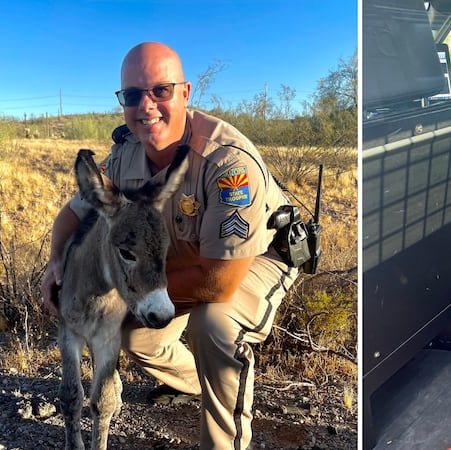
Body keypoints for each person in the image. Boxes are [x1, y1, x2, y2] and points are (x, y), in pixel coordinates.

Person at [41, 41, 299, 449]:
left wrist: (127, 294)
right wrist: (56, 264)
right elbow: (72, 213)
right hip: (180, 255)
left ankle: (224, 439)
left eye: (160, 90)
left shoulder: (228, 165)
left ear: (185, 92)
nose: (146, 106)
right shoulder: (125, 153)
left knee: (213, 325)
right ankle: (198, 382)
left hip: (254, 257)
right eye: (132, 95)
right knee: (136, 333)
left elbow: (219, 283)